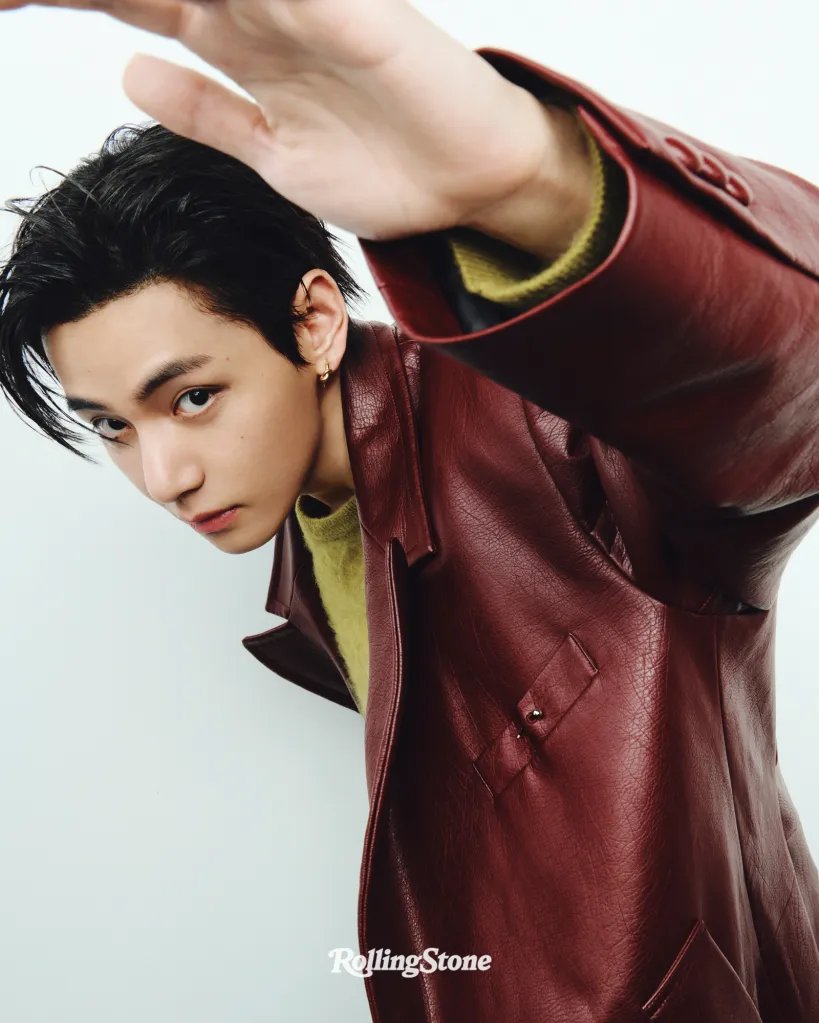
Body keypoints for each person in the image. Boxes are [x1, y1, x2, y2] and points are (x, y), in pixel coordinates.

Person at [0, 1, 817, 1020]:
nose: (163, 475)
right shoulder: (309, 529)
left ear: (314, 320)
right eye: (114, 426)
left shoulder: (546, 436)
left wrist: (536, 183)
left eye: (194, 397)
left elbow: (788, 392)